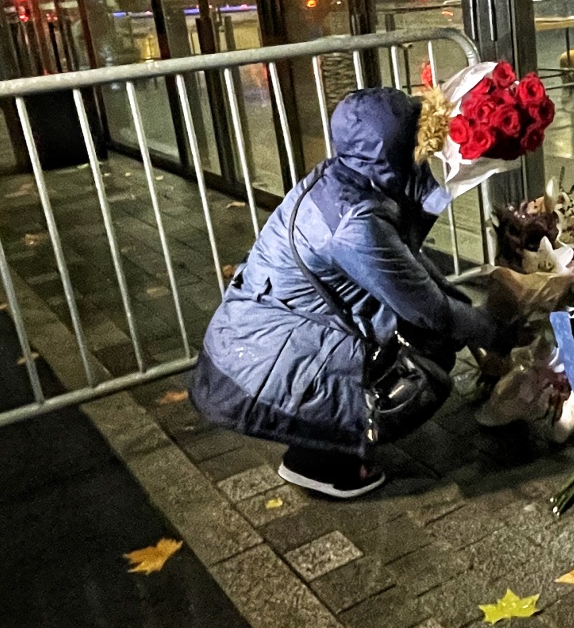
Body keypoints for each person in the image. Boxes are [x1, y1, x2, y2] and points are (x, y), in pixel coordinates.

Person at [190, 86, 504, 499]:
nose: (428, 146)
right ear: (393, 149)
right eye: (417, 137)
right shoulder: (356, 222)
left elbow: (411, 270)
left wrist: (469, 316)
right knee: (428, 353)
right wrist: (500, 333)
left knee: (430, 326)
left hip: (253, 342)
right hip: (257, 365)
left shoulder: (344, 178)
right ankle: (321, 463)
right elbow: (427, 308)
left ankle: (318, 439)